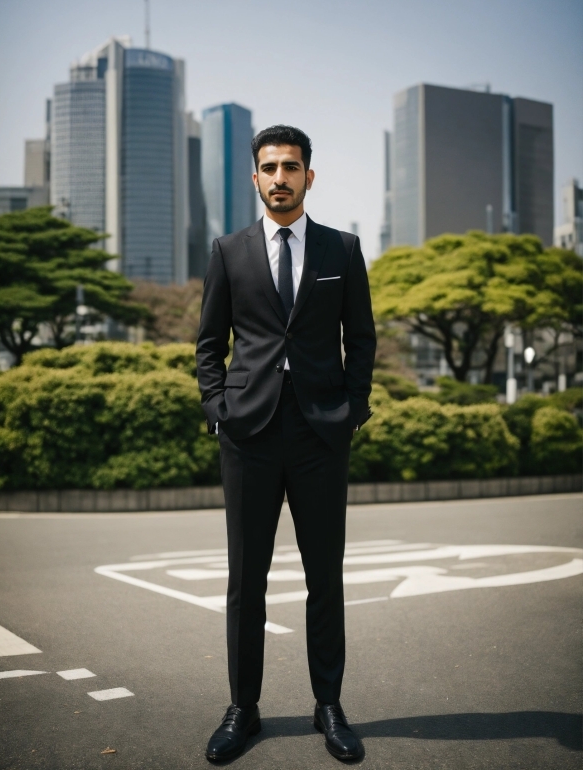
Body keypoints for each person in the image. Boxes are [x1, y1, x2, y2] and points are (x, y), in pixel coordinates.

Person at [196, 125, 376, 762]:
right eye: (269, 167)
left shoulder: (342, 249)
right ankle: (243, 708)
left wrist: (352, 410)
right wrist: (217, 410)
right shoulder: (228, 251)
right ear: (255, 178)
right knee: (247, 581)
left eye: (291, 167)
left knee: (324, 577)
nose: (280, 177)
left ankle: (328, 705)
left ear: (309, 176)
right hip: (248, 435)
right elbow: (208, 347)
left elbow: (363, 338)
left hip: (321, 435)